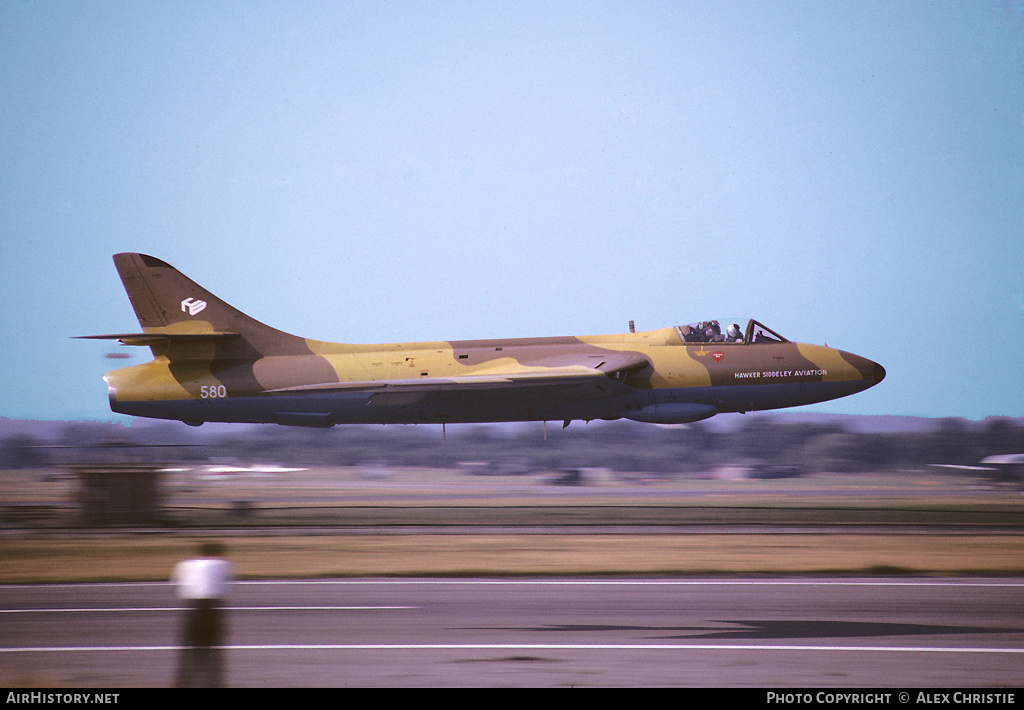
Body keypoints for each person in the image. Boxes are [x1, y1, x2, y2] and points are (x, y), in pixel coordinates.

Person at [172, 541, 233, 687]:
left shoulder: (186, 565)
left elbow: (181, 587)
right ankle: (213, 684)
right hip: (212, 610)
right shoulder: (223, 564)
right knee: (214, 653)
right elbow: (226, 588)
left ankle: (183, 683)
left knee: (188, 651)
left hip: (194, 609)